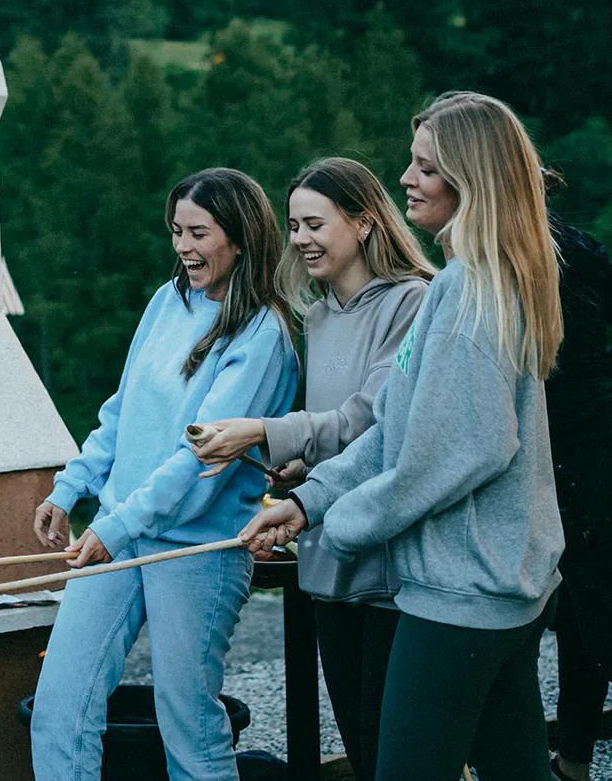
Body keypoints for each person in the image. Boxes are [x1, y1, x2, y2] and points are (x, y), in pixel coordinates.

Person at [240, 91, 565, 781]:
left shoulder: (470, 292)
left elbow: (465, 450)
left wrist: (347, 521)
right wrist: (310, 502)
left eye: (426, 168)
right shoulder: (471, 283)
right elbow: (398, 426)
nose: (407, 181)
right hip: (495, 588)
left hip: (463, 596)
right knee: (516, 770)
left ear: (470, 180)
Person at [29, 168, 300, 780]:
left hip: (198, 550)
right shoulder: (166, 299)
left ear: (240, 237)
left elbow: (200, 456)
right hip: (118, 533)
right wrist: (70, 487)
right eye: (176, 230)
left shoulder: (265, 333)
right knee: (58, 709)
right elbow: (122, 413)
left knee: (190, 728)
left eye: (198, 232)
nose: (183, 246)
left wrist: (117, 525)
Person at [189, 156, 437, 781]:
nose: (299, 239)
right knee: (358, 738)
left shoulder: (414, 303)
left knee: (398, 751)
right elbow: (330, 429)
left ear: (364, 223)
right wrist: (295, 466)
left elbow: (372, 419)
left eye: (314, 224)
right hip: (328, 557)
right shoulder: (320, 313)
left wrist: (267, 432)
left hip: (392, 565)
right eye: (294, 224)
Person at [542, 201, 612, 781]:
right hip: (577, 431)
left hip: (575, 439)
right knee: (586, 605)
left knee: (587, 605)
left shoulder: (551, 251)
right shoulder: (577, 244)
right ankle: (574, 754)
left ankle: (573, 757)